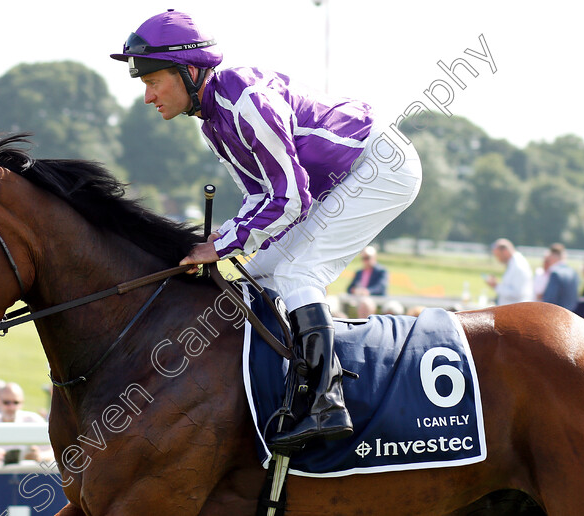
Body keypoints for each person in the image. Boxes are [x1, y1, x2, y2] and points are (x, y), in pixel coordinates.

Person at [110, 10, 422, 448]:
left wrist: (224, 246)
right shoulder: (212, 124)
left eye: (152, 80)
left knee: (297, 274)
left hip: (379, 167)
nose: (147, 96)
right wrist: (223, 242)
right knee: (259, 272)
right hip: (335, 181)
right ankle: (285, 390)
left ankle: (326, 403)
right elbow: (263, 198)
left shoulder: (244, 100)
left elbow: (291, 198)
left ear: (190, 71)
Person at [0, 383, 51, 463]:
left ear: (22, 402)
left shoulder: (34, 420)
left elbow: (53, 451)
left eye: (16, 402)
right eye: (6, 402)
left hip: (29, 473)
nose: (11, 407)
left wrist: (39, 456)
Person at [484, 238, 533, 306]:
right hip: (513, 309)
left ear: (505, 251)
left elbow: (517, 293)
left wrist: (496, 286)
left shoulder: (518, 266)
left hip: (517, 310)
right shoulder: (513, 263)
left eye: (498, 255)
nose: (498, 259)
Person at [541, 243, 579, 311]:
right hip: (572, 314)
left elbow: (549, 299)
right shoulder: (573, 272)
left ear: (552, 255)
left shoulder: (555, 273)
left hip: (557, 315)